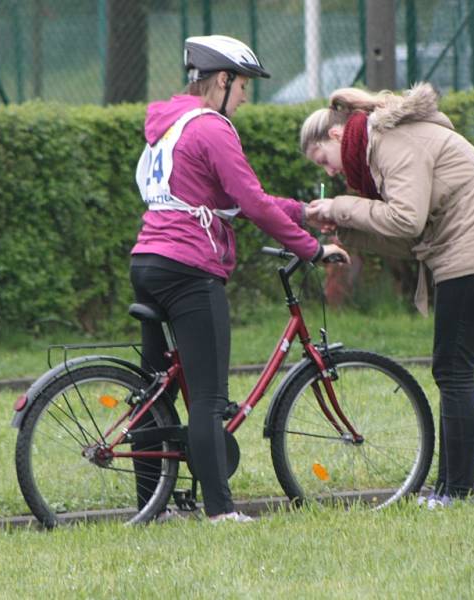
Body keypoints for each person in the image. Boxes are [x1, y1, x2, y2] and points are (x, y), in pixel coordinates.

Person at [130, 35, 348, 523]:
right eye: (244, 86)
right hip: (190, 270)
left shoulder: (169, 125)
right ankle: (221, 512)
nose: (246, 97)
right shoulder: (213, 127)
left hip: (148, 261)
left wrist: (304, 212)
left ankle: (152, 506)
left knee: (156, 394)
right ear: (222, 81)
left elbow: (229, 200)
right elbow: (249, 202)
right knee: (207, 398)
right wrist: (312, 248)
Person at [301, 82, 474, 507]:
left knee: (453, 371)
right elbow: (409, 241)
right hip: (471, 249)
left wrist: (339, 207)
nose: (330, 173)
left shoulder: (390, 140)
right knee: (450, 371)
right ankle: (447, 489)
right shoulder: (377, 146)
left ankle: (455, 493)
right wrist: (347, 230)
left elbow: (406, 220)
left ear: (336, 136)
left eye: (324, 161)